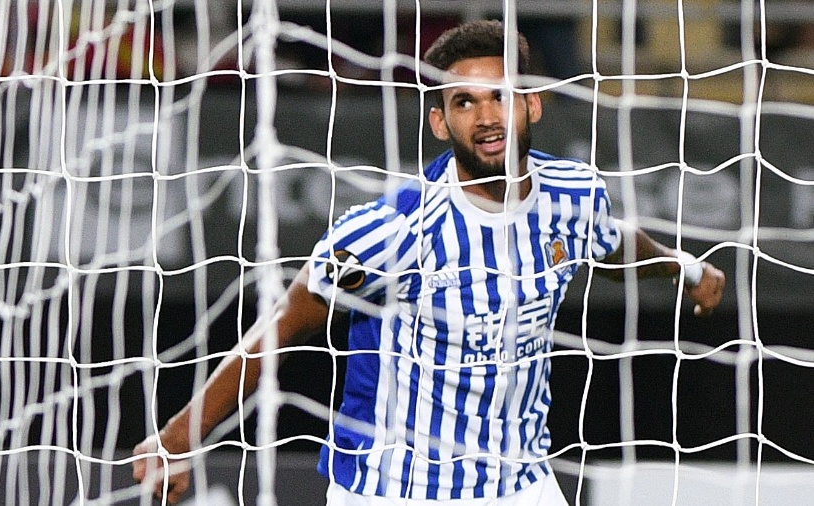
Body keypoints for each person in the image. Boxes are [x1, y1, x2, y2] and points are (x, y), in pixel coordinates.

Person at [132, 20, 726, 505]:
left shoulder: (574, 193)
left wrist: (686, 268)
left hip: (517, 479)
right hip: (394, 487)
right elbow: (284, 326)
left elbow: (613, 242)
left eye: (502, 95)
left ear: (534, 106)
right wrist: (181, 437)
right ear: (441, 121)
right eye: (464, 102)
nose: (488, 117)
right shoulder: (393, 230)